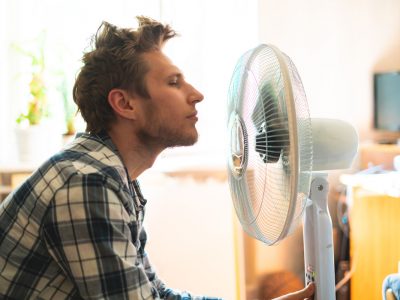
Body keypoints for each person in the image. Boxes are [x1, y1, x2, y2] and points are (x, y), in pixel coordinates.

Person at [0, 16, 315, 299]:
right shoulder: (86, 184)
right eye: (174, 82)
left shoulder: (114, 178)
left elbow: (157, 294)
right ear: (125, 104)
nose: (196, 94)